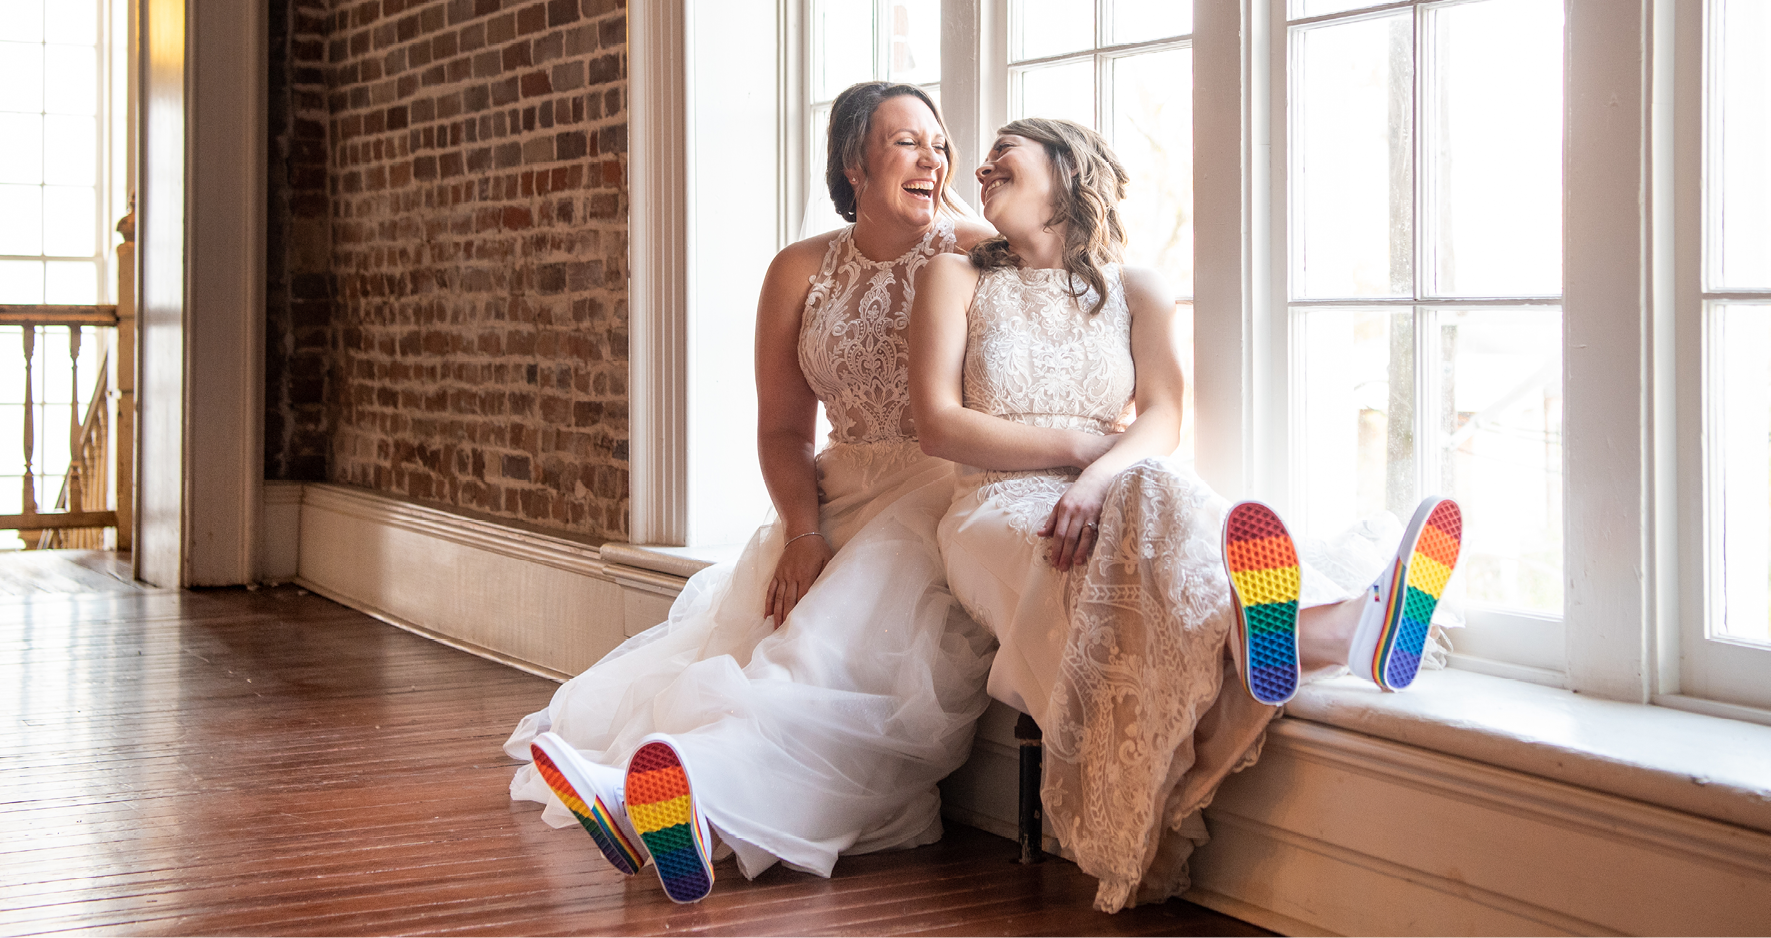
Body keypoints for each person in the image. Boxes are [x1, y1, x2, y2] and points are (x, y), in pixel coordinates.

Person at [909, 118, 1463, 912]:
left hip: (1111, 491)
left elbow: (1161, 419)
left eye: (1005, 153)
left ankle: (1329, 630)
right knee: (1143, 532)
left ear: (1065, 172)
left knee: (1158, 491)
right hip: (995, 508)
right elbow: (938, 424)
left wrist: (1096, 478)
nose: (983, 166)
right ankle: (1335, 631)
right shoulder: (955, 278)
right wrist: (1074, 447)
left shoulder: (1135, 288)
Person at [502, 82, 996, 903]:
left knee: (818, 658)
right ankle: (656, 801)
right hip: (833, 495)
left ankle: (673, 797)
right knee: (746, 652)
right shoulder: (801, 269)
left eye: (938, 142)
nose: (933, 158)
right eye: (906, 142)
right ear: (852, 163)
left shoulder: (977, 250)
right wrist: (802, 533)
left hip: (935, 494)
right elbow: (781, 432)